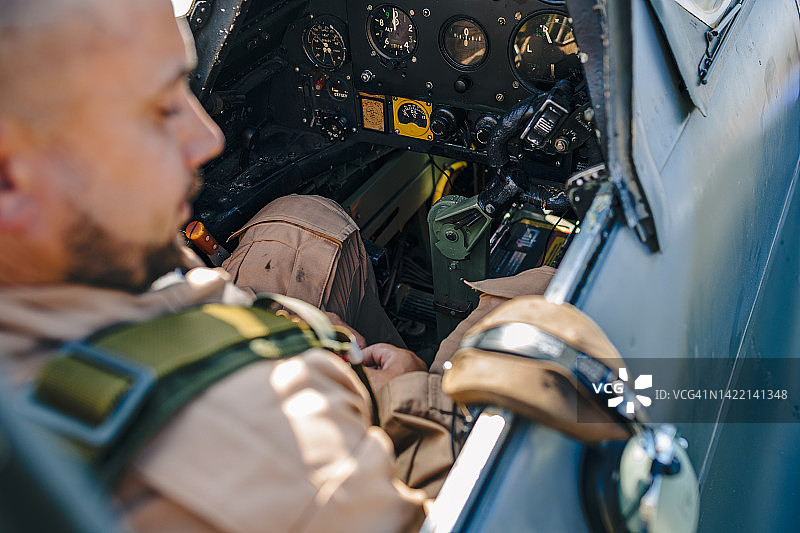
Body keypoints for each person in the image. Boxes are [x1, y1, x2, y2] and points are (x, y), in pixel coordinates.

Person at [0, 0, 452, 530]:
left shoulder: (53, 257)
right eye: (160, 109)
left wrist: (289, 322)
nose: (207, 138)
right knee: (522, 308)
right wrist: (410, 398)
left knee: (304, 222)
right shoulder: (289, 465)